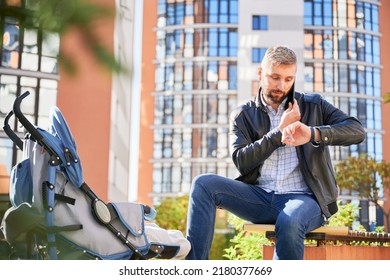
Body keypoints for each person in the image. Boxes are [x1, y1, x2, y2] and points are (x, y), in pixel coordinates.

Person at [185, 45, 366, 260]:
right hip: (260, 198)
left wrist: (312, 133)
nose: (282, 86)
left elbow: (357, 131)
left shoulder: (313, 105)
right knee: (203, 184)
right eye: (275, 77)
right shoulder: (243, 114)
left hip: (305, 199)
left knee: (289, 221)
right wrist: (278, 133)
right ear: (260, 73)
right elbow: (242, 162)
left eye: (289, 79)